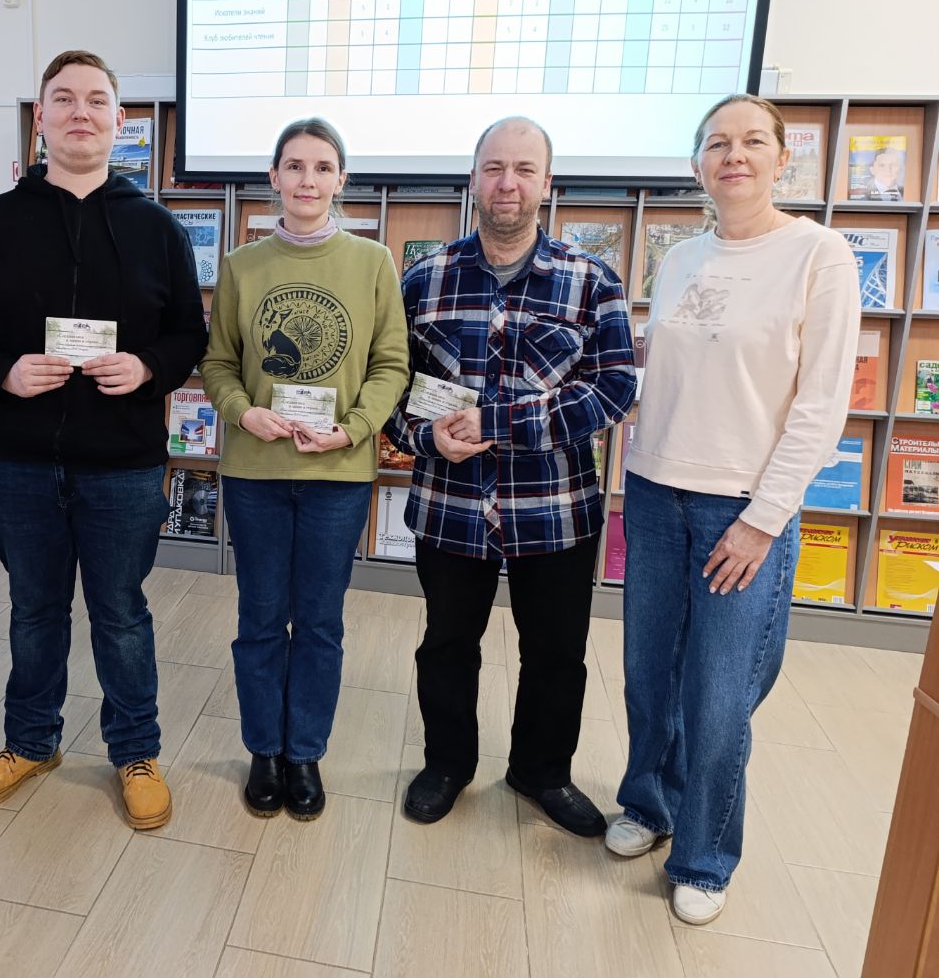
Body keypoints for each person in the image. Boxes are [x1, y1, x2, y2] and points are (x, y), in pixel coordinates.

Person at [0, 49, 207, 830]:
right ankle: (31, 742)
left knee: (121, 614)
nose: (79, 112)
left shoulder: (158, 229)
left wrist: (149, 366)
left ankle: (136, 752)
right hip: (19, 462)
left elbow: (188, 333)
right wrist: (3, 374)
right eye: (63, 99)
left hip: (123, 466)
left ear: (120, 122)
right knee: (34, 612)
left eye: (95, 100)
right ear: (41, 119)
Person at [608, 94, 860, 924]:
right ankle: (649, 803)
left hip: (741, 506)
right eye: (717, 143)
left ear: (783, 159)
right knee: (648, 675)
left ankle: (706, 857)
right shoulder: (682, 257)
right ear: (697, 166)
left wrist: (763, 519)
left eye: (753, 141)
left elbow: (822, 405)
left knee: (718, 697)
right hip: (653, 492)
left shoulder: (819, 255)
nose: (734, 156)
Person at [384, 117, 636, 836]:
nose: (507, 183)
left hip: (554, 508)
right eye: (494, 168)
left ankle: (541, 772)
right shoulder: (422, 279)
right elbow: (388, 388)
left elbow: (614, 390)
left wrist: (499, 423)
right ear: (473, 179)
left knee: (556, 653)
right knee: (446, 644)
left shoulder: (593, 281)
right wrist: (422, 435)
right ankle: (447, 764)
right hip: (450, 505)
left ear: (546, 183)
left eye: (524, 169)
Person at [199, 118, 409, 820]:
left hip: (337, 474)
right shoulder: (241, 266)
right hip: (256, 470)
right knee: (260, 616)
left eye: (322, 167)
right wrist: (242, 412)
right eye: (294, 166)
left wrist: (353, 428)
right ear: (274, 177)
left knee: (319, 622)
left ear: (341, 179)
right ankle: (264, 749)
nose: (308, 180)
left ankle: (305, 752)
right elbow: (219, 363)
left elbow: (391, 365)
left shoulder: (373, 263)